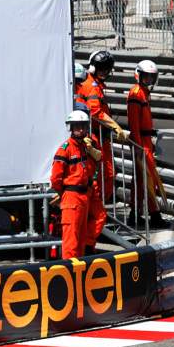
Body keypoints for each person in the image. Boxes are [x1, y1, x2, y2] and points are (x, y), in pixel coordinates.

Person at [79, 50, 128, 228]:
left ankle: (98, 213)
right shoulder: (92, 86)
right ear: (93, 67)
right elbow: (95, 111)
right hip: (95, 138)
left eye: (107, 69)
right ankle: (96, 214)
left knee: (108, 176)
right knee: (101, 177)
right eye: (101, 68)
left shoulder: (97, 85)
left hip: (101, 137)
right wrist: (115, 125)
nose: (104, 72)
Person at [50, 111, 104, 259]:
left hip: (84, 196)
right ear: (71, 128)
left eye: (83, 126)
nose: (80, 130)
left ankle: (79, 275)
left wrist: (91, 149)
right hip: (72, 197)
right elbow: (55, 179)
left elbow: (99, 159)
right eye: (77, 126)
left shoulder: (85, 148)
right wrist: (65, 194)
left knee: (80, 241)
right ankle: (69, 275)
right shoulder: (65, 149)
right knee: (71, 242)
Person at [126, 60, 165, 227]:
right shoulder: (136, 94)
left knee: (142, 181)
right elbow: (134, 124)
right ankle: (154, 216)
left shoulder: (143, 93)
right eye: (146, 77)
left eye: (151, 77)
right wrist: (138, 146)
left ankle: (135, 214)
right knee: (148, 180)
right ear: (138, 75)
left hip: (146, 142)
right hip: (142, 144)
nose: (149, 80)